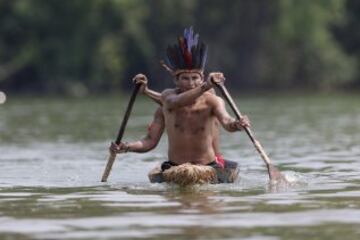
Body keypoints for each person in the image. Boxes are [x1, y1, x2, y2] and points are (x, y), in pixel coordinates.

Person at [110, 27, 250, 184]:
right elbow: (149, 141)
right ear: (175, 80)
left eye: (195, 78)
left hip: (208, 168)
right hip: (175, 168)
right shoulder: (167, 100)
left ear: (201, 77)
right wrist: (126, 147)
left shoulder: (213, 101)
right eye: (185, 78)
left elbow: (227, 122)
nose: (191, 83)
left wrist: (238, 124)